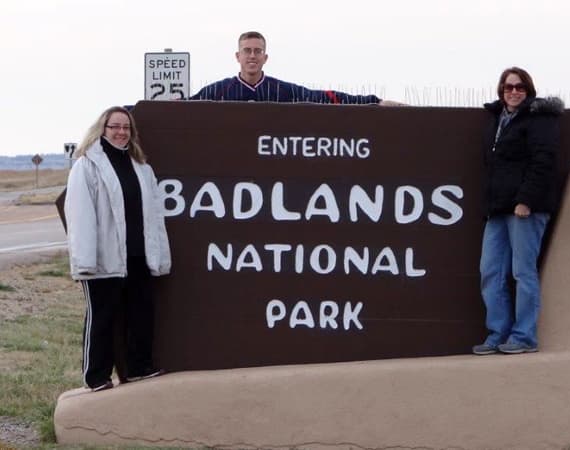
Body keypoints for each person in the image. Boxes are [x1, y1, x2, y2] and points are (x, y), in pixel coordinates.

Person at [65, 106, 171, 392]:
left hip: (137, 256)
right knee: (102, 318)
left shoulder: (142, 168)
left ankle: (139, 367)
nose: (121, 132)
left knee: (141, 315)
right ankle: (96, 376)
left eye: (126, 127)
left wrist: (159, 255)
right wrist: (85, 260)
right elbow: (81, 216)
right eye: (115, 126)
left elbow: (155, 217)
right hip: (103, 258)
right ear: (103, 128)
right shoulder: (87, 166)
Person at [472, 67, 562, 355]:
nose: (514, 92)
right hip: (497, 208)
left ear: (529, 90)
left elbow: (543, 161)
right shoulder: (497, 118)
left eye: (520, 87)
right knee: (490, 271)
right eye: (509, 87)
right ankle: (498, 333)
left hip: (526, 208)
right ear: (501, 90)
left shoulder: (540, 119)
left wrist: (525, 200)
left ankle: (524, 337)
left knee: (523, 272)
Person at [191, 31, 400, 105]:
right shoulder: (219, 90)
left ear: (265, 57)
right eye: (247, 51)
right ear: (238, 56)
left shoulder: (281, 90)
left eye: (257, 51)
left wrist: (375, 101)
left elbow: (324, 97)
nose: (252, 56)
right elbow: (185, 107)